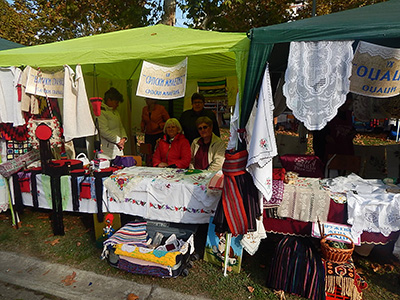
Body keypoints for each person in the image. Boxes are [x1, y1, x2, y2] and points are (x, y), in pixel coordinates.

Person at [97, 87, 127, 160]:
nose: (118, 105)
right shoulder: (101, 112)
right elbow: (103, 131)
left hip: (118, 148)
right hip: (106, 151)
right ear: (109, 100)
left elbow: (121, 127)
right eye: (116, 102)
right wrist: (118, 141)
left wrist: (123, 138)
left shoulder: (115, 112)